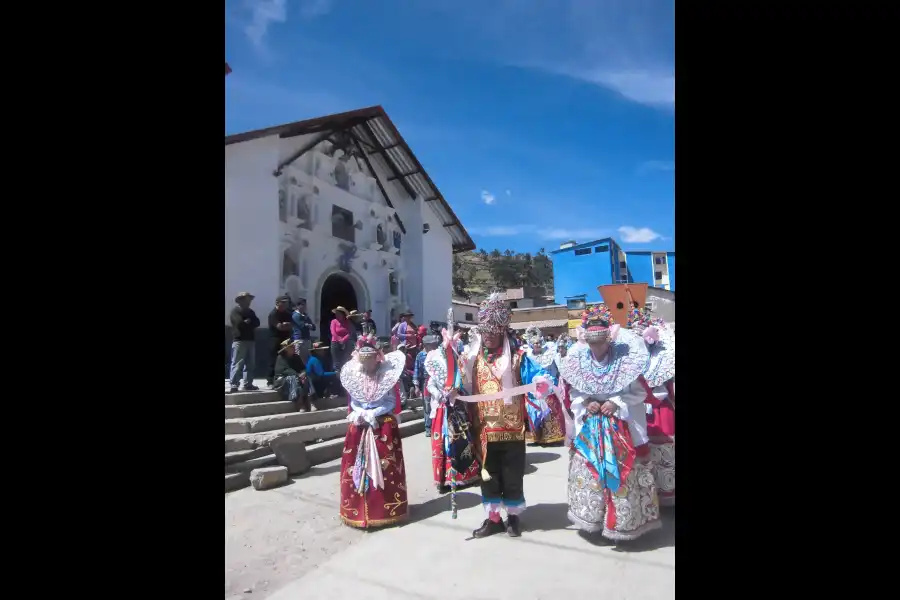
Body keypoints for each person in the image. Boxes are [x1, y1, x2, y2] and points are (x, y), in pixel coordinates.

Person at [559, 304, 662, 543]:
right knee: (592, 472)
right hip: (592, 429)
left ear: (609, 339)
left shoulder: (625, 358)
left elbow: (638, 393)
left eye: (601, 344)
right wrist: (586, 401)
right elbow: (573, 393)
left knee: (622, 474)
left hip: (621, 429)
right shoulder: (578, 360)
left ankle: (623, 523)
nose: (597, 349)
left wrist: (616, 402)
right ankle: (595, 520)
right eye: (593, 345)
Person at [460, 293, 531, 538]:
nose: (487, 335)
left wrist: (541, 382)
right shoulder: (472, 360)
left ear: (502, 331)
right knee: (488, 475)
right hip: (484, 430)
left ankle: (512, 518)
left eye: (492, 330)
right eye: (484, 331)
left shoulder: (518, 357)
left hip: (512, 428)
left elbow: (536, 376)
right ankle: (493, 519)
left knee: (512, 474)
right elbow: (462, 384)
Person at [338, 334, 409, 529]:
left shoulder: (386, 375)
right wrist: (360, 411)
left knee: (387, 464)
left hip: (381, 421)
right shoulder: (356, 376)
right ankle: (356, 508)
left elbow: (391, 401)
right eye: (364, 360)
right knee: (354, 463)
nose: (367, 364)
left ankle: (385, 509)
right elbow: (354, 399)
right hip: (361, 420)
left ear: (377, 358)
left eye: (370, 360)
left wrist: (375, 412)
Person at [424, 331, 481, 492]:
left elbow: (464, 380)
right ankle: (444, 478)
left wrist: (456, 392)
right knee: (442, 442)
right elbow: (430, 385)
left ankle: (464, 475)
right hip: (442, 407)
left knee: (461, 439)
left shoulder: (459, 362)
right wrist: (440, 395)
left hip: (457, 405)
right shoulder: (435, 362)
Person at [631, 308, 676, 507]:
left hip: (661, 409)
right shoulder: (631, 358)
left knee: (665, 450)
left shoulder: (664, 356)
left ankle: (668, 492)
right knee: (643, 451)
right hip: (639, 409)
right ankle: (649, 495)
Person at [520, 326, 567, 446]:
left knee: (551, 411)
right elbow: (525, 372)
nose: (537, 345)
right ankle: (537, 437)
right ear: (531, 344)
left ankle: (552, 437)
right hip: (533, 389)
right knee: (534, 412)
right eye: (535, 343)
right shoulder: (527, 356)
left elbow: (555, 369)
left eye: (539, 342)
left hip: (548, 387)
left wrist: (552, 381)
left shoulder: (549, 354)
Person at [228, 292, 261, 393]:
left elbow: (257, 322)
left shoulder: (251, 312)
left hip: (250, 340)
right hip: (239, 340)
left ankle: (248, 384)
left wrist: (248, 322)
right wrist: (248, 322)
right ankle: (234, 384)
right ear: (241, 300)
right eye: (247, 300)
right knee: (237, 363)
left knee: (250, 364)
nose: (249, 302)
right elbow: (239, 323)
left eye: (249, 300)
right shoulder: (235, 311)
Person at [273, 339, 314, 412]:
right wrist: (298, 375)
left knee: (307, 378)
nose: (294, 348)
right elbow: (283, 371)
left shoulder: (296, 357)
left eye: (293, 346)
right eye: (291, 347)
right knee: (293, 378)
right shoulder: (281, 358)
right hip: (282, 380)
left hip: (297, 376)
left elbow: (303, 368)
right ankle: (299, 402)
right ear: (286, 349)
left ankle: (310, 401)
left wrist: (303, 373)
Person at [267, 295, 294, 388]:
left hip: (285, 340)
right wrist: (284, 325)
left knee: (285, 360)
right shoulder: (273, 314)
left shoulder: (287, 314)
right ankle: (270, 381)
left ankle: (281, 379)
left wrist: (286, 325)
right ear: (277, 303)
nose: (285, 304)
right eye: (283, 302)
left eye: (286, 303)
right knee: (273, 360)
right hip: (275, 339)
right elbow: (279, 327)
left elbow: (291, 325)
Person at [412, 335, 435, 435]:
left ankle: (436, 426)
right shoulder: (420, 356)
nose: (434, 346)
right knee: (427, 406)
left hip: (437, 381)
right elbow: (416, 371)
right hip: (425, 383)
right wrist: (416, 386)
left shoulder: (437, 354)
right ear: (426, 345)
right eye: (432, 344)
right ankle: (428, 427)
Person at [329, 306, 353, 392]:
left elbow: (349, 332)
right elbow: (333, 332)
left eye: (339, 314)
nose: (337, 315)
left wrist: (343, 340)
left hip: (345, 344)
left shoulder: (347, 322)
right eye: (336, 314)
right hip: (335, 343)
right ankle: (336, 387)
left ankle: (344, 387)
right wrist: (340, 340)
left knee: (344, 363)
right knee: (336, 364)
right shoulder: (333, 321)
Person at [291, 298, 316, 363]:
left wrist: (309, 325)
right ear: (298, 306)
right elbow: (302, 326)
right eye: (303, 305)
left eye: (305, 305)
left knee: (307, 359)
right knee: (299, 359)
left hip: (307, 340)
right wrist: (308, 325)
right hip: (299, 340)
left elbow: (313, 327)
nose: (305, 307)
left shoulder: (305, 315)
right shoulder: (295, 315)